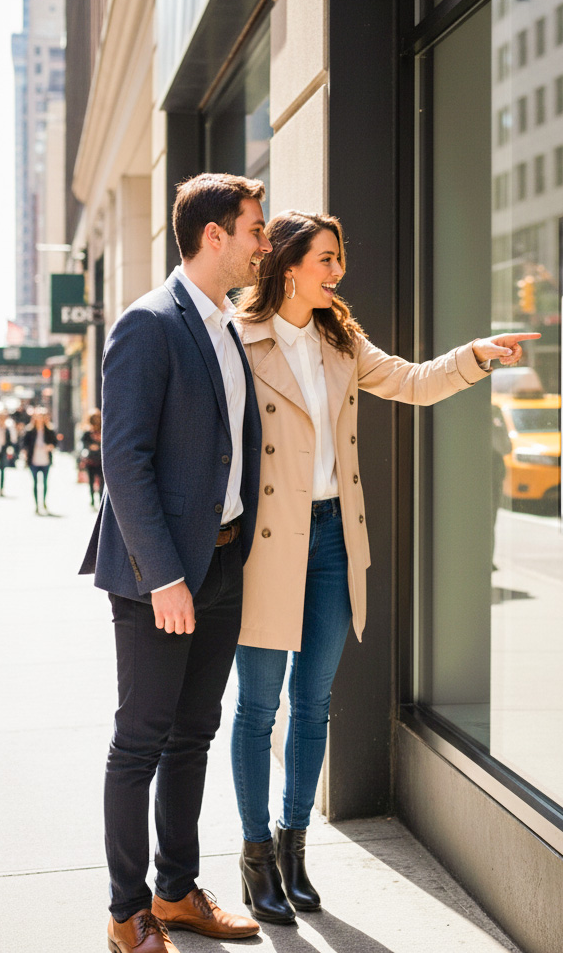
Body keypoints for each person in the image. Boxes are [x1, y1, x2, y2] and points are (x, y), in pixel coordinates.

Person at [230, 210, 538, 923]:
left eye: (338, 258)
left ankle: (293, 848)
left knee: (312, 706)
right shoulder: (238, 339)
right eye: (326, 259)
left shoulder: (340, 337)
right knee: (256, 707)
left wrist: (476, 355)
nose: (337, 271)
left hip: (336, 537)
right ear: (286, 262)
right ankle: (254, 858)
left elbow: (412, 382)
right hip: (269, 545)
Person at [80, 172, 270, 953]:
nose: (264, 242)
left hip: (223, 562)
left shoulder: (227, 325)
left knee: (194, 732)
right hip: (160, 574)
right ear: (214, 236)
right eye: (255, 229)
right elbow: (122, 460)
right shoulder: (148, 324)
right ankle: (129, 914)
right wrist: (164, 578)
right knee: (142, 739)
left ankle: (177, 890)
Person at [21, 407, 58, 514]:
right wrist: (25, 452)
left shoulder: (49, 430)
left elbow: (54, 443)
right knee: (36, 483)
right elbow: (24, 444)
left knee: (45, 483)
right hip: (34, 460)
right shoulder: (30, 430)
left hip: (45, 460)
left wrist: (49, 447)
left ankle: (44, 502)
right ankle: (37, 504)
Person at [80, 407, 103, 507]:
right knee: (91, 480)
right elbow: (83, 444)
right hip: (90, 460)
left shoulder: (103, 430)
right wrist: (90, 446)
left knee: (102, 481)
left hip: (101, 460)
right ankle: (93, 500)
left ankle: (101, 499)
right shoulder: (87, 432)